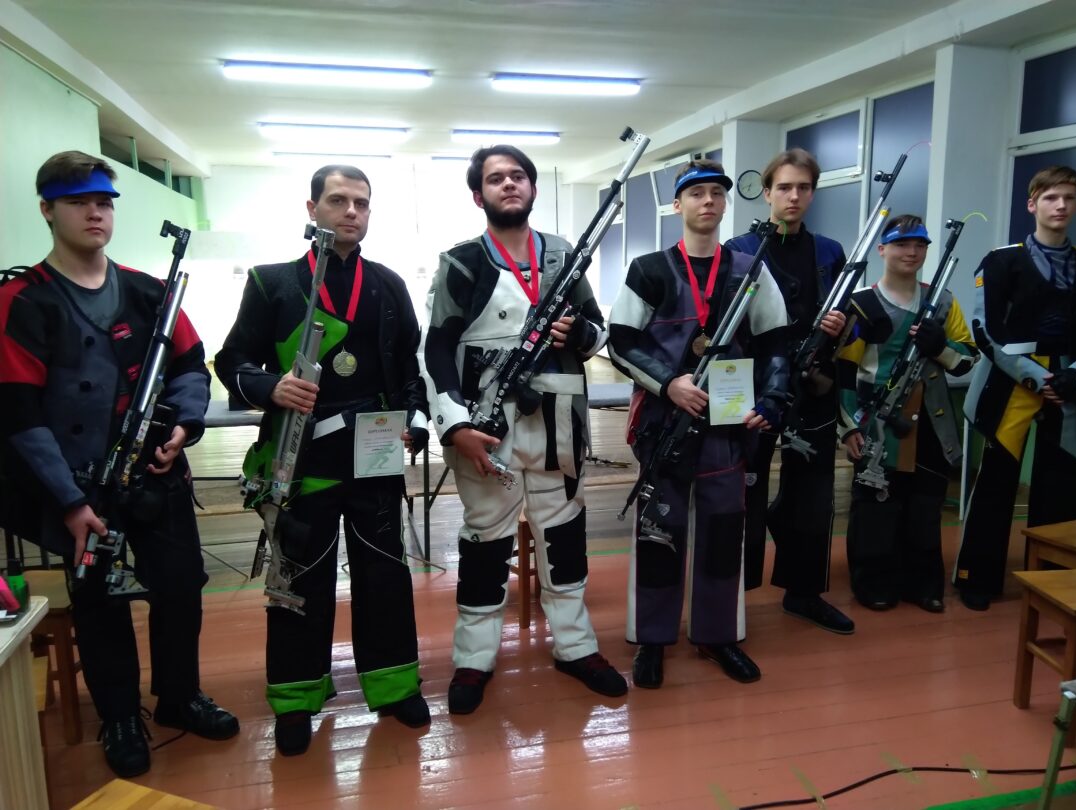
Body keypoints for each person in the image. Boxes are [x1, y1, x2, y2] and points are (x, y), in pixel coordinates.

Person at [0, 151, 238, 778]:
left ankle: (180, 696)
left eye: (103, 202)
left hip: (157, 473)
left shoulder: (148, 290)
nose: (94, 213)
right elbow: (18, 414)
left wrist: (184, 426)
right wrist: (69, 501)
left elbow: (191, 366)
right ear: (47, 210)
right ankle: (120, 716)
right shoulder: (23, 301)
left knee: (180, 588)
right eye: (78, 202)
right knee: (99, 602)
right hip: (82, 489)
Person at [215, 164, 431, 755]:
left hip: (375, 452)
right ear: (312, 209)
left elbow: (409, 368)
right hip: (301, 456)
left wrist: (415, 420)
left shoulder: (387, 284)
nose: (351, 211)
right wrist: (271, 387)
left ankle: (394, 686)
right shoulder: (272, 283)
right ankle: (295, 697)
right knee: (298, 579)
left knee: (385, 573)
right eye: (338, 200)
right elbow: (232, 362)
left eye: (361, 202)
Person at [421, 144, 626, 714]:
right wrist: (455, 426)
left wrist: (578, 334)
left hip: (560, 420)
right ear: (478, 195)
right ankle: (474, 657)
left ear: (533, 188)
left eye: (518, 176)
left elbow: (598, 332)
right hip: (487, 428)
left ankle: (577, 646)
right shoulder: (461, 263)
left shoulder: (564, 255)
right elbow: (435, 349)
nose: (508, 184)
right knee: (486, 540)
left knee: (564, 534)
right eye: (496, 178)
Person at [608, 159, 789, 688]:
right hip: (664, 424)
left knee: (723, 533)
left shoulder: (751, 270)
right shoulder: (648, 269)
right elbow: (621, 341)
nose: (707, 201)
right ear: (677, 204)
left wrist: (774, 398)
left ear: (726, 203)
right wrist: (669, 383)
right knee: (658, 533)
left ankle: (717, 635)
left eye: (716, 193)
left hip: (727, 428)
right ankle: (652, 639)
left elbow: (776, 342)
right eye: (696, 193)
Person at [725, 148, 854, 635]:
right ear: (767, 192)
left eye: (803, 188)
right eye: (784, 187)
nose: (793, 196)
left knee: (813, 493)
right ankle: (731, 596)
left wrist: (842, 326)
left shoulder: (829, 252)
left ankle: (804, 593)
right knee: (744, 492)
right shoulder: (740, 249)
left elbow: (852, 324)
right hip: (755, 390)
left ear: (813, 193)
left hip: (814, 385)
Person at [836, 215, 978, 612]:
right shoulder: (861, 304)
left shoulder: (943, 301)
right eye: (901, 244)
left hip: (932, 420)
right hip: (875, 421)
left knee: (925, 506)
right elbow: (844, 370)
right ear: (882, 249)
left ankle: (923, 584)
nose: (911, 252)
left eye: (920, 245)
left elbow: (968, 359)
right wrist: (848, 428)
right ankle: (873, 582)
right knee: (876, 508)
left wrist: (941, 347)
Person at [954, 166, 1076, 611]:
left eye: (1069, 197)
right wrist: (1034, 377)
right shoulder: (1001, 261)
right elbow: (984, 331)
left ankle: (1053, 581)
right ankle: (977, 577)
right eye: (1050, 197)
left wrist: (1073, 375)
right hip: (1011, 382)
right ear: (1032, 204)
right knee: (996, 483)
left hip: (1068, 386)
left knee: (1061, 485)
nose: (1060, 205)